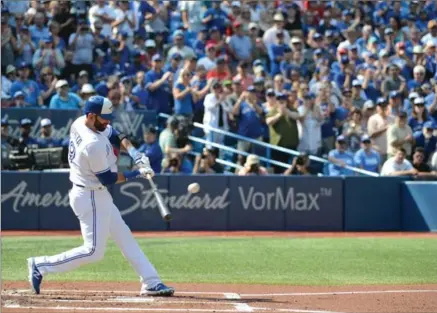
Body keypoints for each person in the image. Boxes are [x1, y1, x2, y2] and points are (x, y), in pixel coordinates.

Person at [27, 96, 174, 297]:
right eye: (103, 118)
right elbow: (108, 179)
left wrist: (134, 153)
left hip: (96, 194)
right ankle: (40, 265)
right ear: (91, 115)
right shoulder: (92, 143)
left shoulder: (82, 122)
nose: (107, 122)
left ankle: (151, 281)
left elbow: (117, 134)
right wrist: (137, 173)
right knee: (93, 251)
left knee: (125, 237)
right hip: (90, 196)